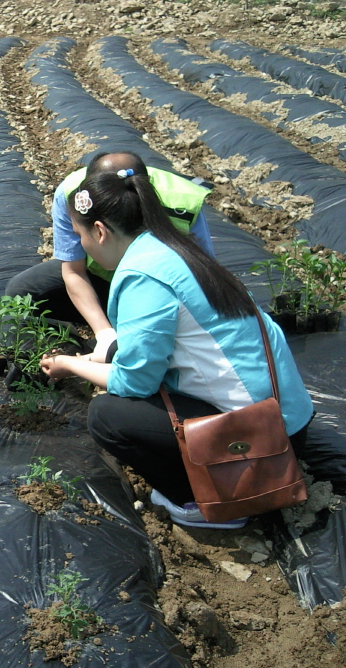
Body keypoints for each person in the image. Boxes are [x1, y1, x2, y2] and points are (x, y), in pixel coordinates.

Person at [39, 170, 346, 529]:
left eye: (80, 235)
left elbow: (134, 383)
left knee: (107, 415)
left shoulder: (143, 277)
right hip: (287, 418)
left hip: (261, 443)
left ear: (100, 231)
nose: (83, 246)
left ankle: (209, 503)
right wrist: (98, 356)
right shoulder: (170, 248)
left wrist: (70, 364)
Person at [6, 152, 214, 362]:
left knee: (140, 351)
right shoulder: (75, 196)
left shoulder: (180, 202)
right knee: (23, 294)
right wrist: (104, 334)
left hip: (158, 290)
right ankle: (78, 347)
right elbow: (73, 271)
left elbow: (201, 276)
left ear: (100, 232)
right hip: (101, 279)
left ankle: (103, 353)